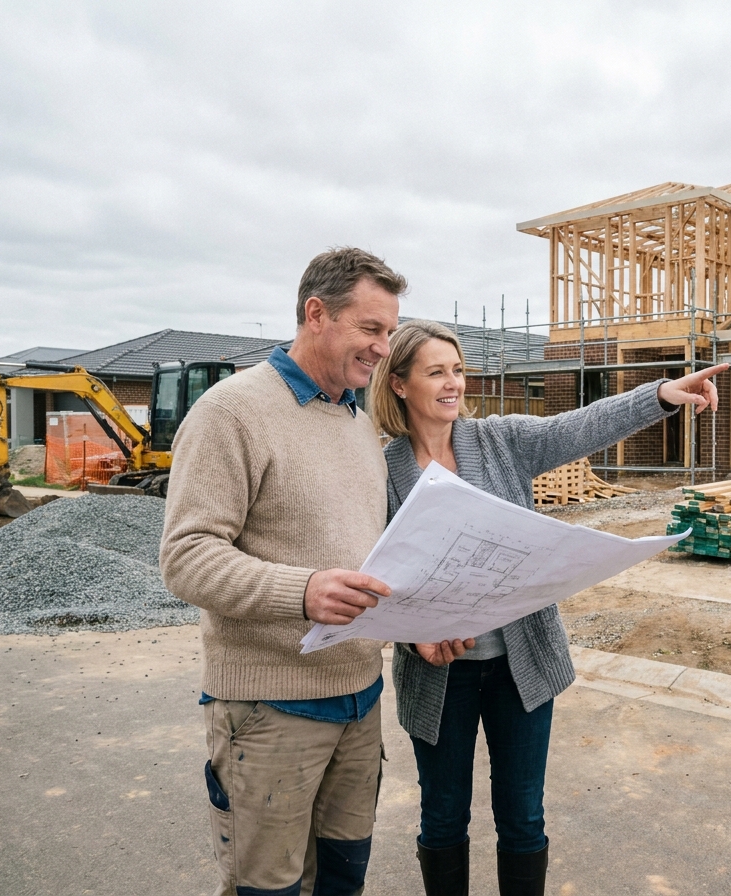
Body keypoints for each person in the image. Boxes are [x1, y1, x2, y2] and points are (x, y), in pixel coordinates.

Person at [371, 320, 726, 896]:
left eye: (458, 370)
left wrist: (659, 395)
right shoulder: (382, 471)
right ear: (399, 385)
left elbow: (578, 427)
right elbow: (375, 574)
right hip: (439, 677)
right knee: (442, 818)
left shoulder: (500, 441)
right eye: (436, 372)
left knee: (522, 817)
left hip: (519, 667)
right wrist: (414, 634)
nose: (453, 383)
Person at [161, 249, 471, 896]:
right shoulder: (231, 413)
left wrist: (410, 624)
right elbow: (186, 556)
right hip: (270, 710)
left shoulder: (357, 422)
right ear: (315, 314)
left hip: (359, 705)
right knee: (268, 886)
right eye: (371, 329)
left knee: (341, 879)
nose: (384, 348)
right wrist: (301, 591)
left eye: (389, 332)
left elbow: (369, 559)